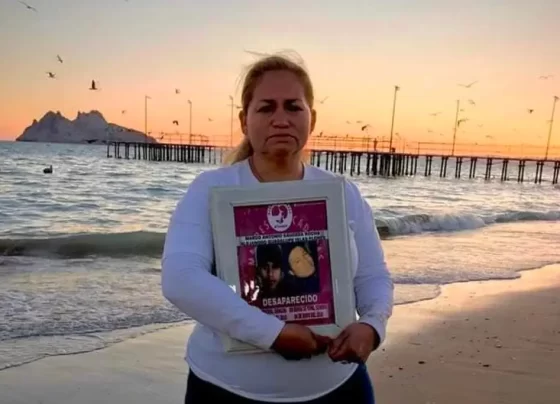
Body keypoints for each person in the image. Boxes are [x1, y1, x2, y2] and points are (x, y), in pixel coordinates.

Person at [161, 52, 394, 404]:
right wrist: (274, 333)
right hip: (225, 390)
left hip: (339, 389)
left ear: (312, 119)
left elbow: (373, 275)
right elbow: (181, 278)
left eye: (293, 107)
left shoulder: (342, 192)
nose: (281, 119)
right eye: (266, 108)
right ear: (244, 120)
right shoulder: (211, 189)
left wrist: (373, 326)